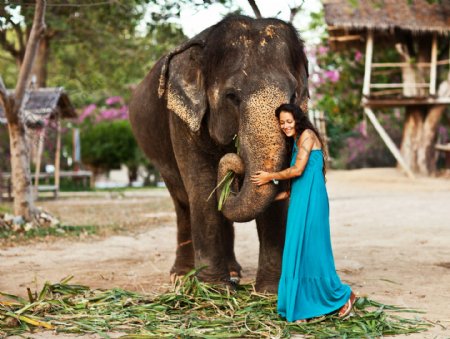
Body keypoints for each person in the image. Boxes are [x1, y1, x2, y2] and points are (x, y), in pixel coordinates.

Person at [250, 103, 356, 323]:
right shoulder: (295, 141)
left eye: (289, 121)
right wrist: (267, 197)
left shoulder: (307, 135)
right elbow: (295, 186)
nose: (285, 126)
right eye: (282, 123)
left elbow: (298, 171)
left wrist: (269, 176)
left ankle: (344, 295)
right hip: (299, 202)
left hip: (313, 202)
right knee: (297, 250)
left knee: (314, 250)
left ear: (298, 120)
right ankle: (303, 305)